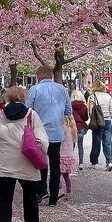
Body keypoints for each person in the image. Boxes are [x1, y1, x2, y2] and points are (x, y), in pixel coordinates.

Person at [0, 86, 43, 222]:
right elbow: (42, 139)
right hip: (26, 161)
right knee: (30, 199)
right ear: (24, 98)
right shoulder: (31, 115)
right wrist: (40, 157)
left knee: (4, 200)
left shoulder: (1, 115)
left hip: (6, 161)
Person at [25, 65, 73, 206]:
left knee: (40, 162)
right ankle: (53, 197)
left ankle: (41, 190)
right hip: (57, 132)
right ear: (51, 75)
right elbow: (68, 110)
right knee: (55, 164)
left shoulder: (34, 89)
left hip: (40, 132)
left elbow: (27, 109)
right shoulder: (62, 89)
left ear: (39, 76)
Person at [87, 81, 112, 171]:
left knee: (96, 142)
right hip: (107, 121)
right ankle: (109, 161)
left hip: (98, 122)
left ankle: (94, 161)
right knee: (107, 142)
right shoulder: (108, 96)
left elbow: (91, 111)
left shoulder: (92, 97)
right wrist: (109, 116)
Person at [59, 114, 78, 197]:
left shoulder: (63, 129)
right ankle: (68, 191)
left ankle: (59, 190)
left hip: (61, 154)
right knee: (66, 176)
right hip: (69, 155)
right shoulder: (72, 130)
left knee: (57, 175)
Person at [70, 88, 89, 170]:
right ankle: (81, 163)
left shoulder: (70, 106)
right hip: (81, 127)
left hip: (72, 127)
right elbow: (86, 118)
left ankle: (70, 162)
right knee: (80, 145)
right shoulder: (84, 106)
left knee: (71, 145)